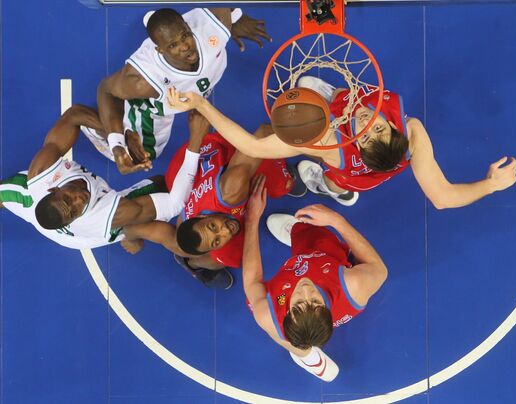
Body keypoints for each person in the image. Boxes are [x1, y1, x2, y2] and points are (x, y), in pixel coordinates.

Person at [165, 77, 516, 208]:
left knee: (334, 178)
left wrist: (201, 104)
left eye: (365, 137)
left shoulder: (330, 144)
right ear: (395, 131)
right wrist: (489, 184)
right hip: (382, 164)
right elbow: (441, 196)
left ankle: (332, 188)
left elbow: (255, 148)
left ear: (356, 146)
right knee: (319, 88)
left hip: (347, 172)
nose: (366, 124)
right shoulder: (411, 130)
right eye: (380, 130)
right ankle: (330, 100)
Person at [122, 117, 304, 289]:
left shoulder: (232, 188)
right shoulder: (182, 230)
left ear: (200, 216)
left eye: (213, 226)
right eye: (217, 241)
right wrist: (130, 238)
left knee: (283, 184)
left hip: (199, 155)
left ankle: (278, 172)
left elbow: (265, 131)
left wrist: (300, 145)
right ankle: (193, 264)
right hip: (182, 180)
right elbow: (142, 232)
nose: (225, 231)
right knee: (226, 257)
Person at [91, 7, 271, 174]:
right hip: (160, 103)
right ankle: (94, 123)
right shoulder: (143, 81)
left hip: (198, 83)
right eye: (173, 45)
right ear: (160, 50)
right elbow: (106, 90)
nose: (185, 46)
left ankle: (159, 23)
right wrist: (117, 145)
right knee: (145, 153)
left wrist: (236, 20)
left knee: (174, 32)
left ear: (188, 26)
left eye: (185, 36)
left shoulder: (213, 24)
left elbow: (225, 11)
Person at [242, 177, 388, 381]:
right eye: (315, 301)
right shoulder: (352, 285)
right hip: (323, 257)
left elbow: (251, 282)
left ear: (288, 312)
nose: (305, 290)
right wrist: (337, 220)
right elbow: (379, 269)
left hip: (295, 277)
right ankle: (308, 355)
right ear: (327, 309)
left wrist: (252, 220)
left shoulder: (273, 310)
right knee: (316, 235)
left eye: (299, 302)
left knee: (283, 336)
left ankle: (306, 357)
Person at [0, 105, 203, 249]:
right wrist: (195, 141)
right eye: (74, 210)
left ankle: (130, 234)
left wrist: (120, 143)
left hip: (31, 201)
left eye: (68, 199)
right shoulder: (102, 216)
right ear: (72, 220)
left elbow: (73, 115)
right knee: (159, 186)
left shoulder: (42, 172)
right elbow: (175, 203)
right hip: (85, 234)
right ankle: (191, 265)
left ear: (54, 189)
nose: (79, 200)